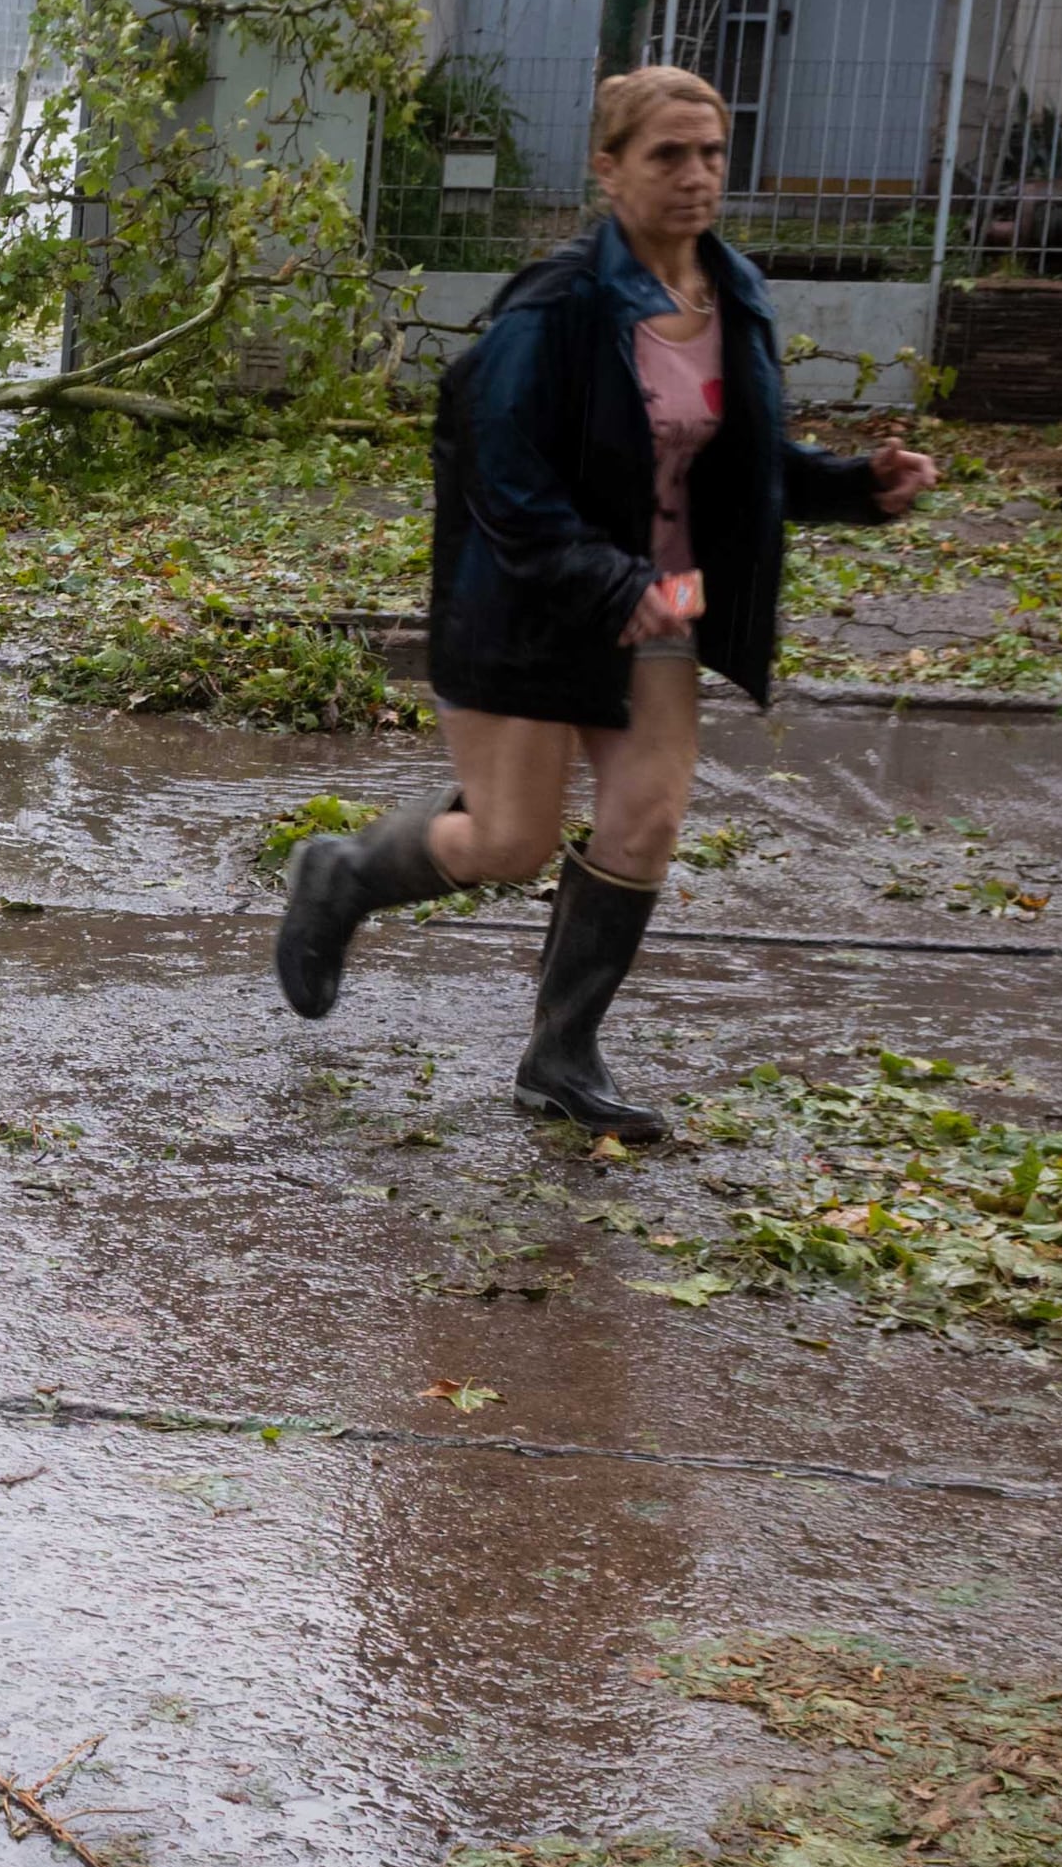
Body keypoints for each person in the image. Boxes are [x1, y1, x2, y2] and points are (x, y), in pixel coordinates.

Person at [269, 64, 940, 1140]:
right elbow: (499, 476)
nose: (694, 176)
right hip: (530, 604)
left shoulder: (732, 293)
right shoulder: (558, 304)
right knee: (509, 841)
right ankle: (340, 876)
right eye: (666, 155)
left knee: (646, 820)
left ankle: (561, 1054)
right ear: (608, 167)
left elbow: (742, 463)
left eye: (711, 153)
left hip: (660, 605)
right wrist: (606, 580)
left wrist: (855, 486)